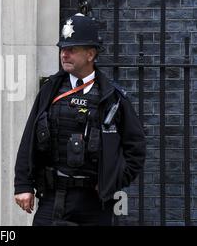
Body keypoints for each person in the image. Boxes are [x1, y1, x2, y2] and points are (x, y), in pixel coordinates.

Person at [14, 13, 146, 226]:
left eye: (71, 49)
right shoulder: (51, 90)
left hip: (94, 203)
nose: (64, 54)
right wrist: (23, 185)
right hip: (52, 197)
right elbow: (29, 139)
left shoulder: (113, 97)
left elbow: (136, 148)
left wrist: (112, 181)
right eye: (62, 49)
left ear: (90, 54)